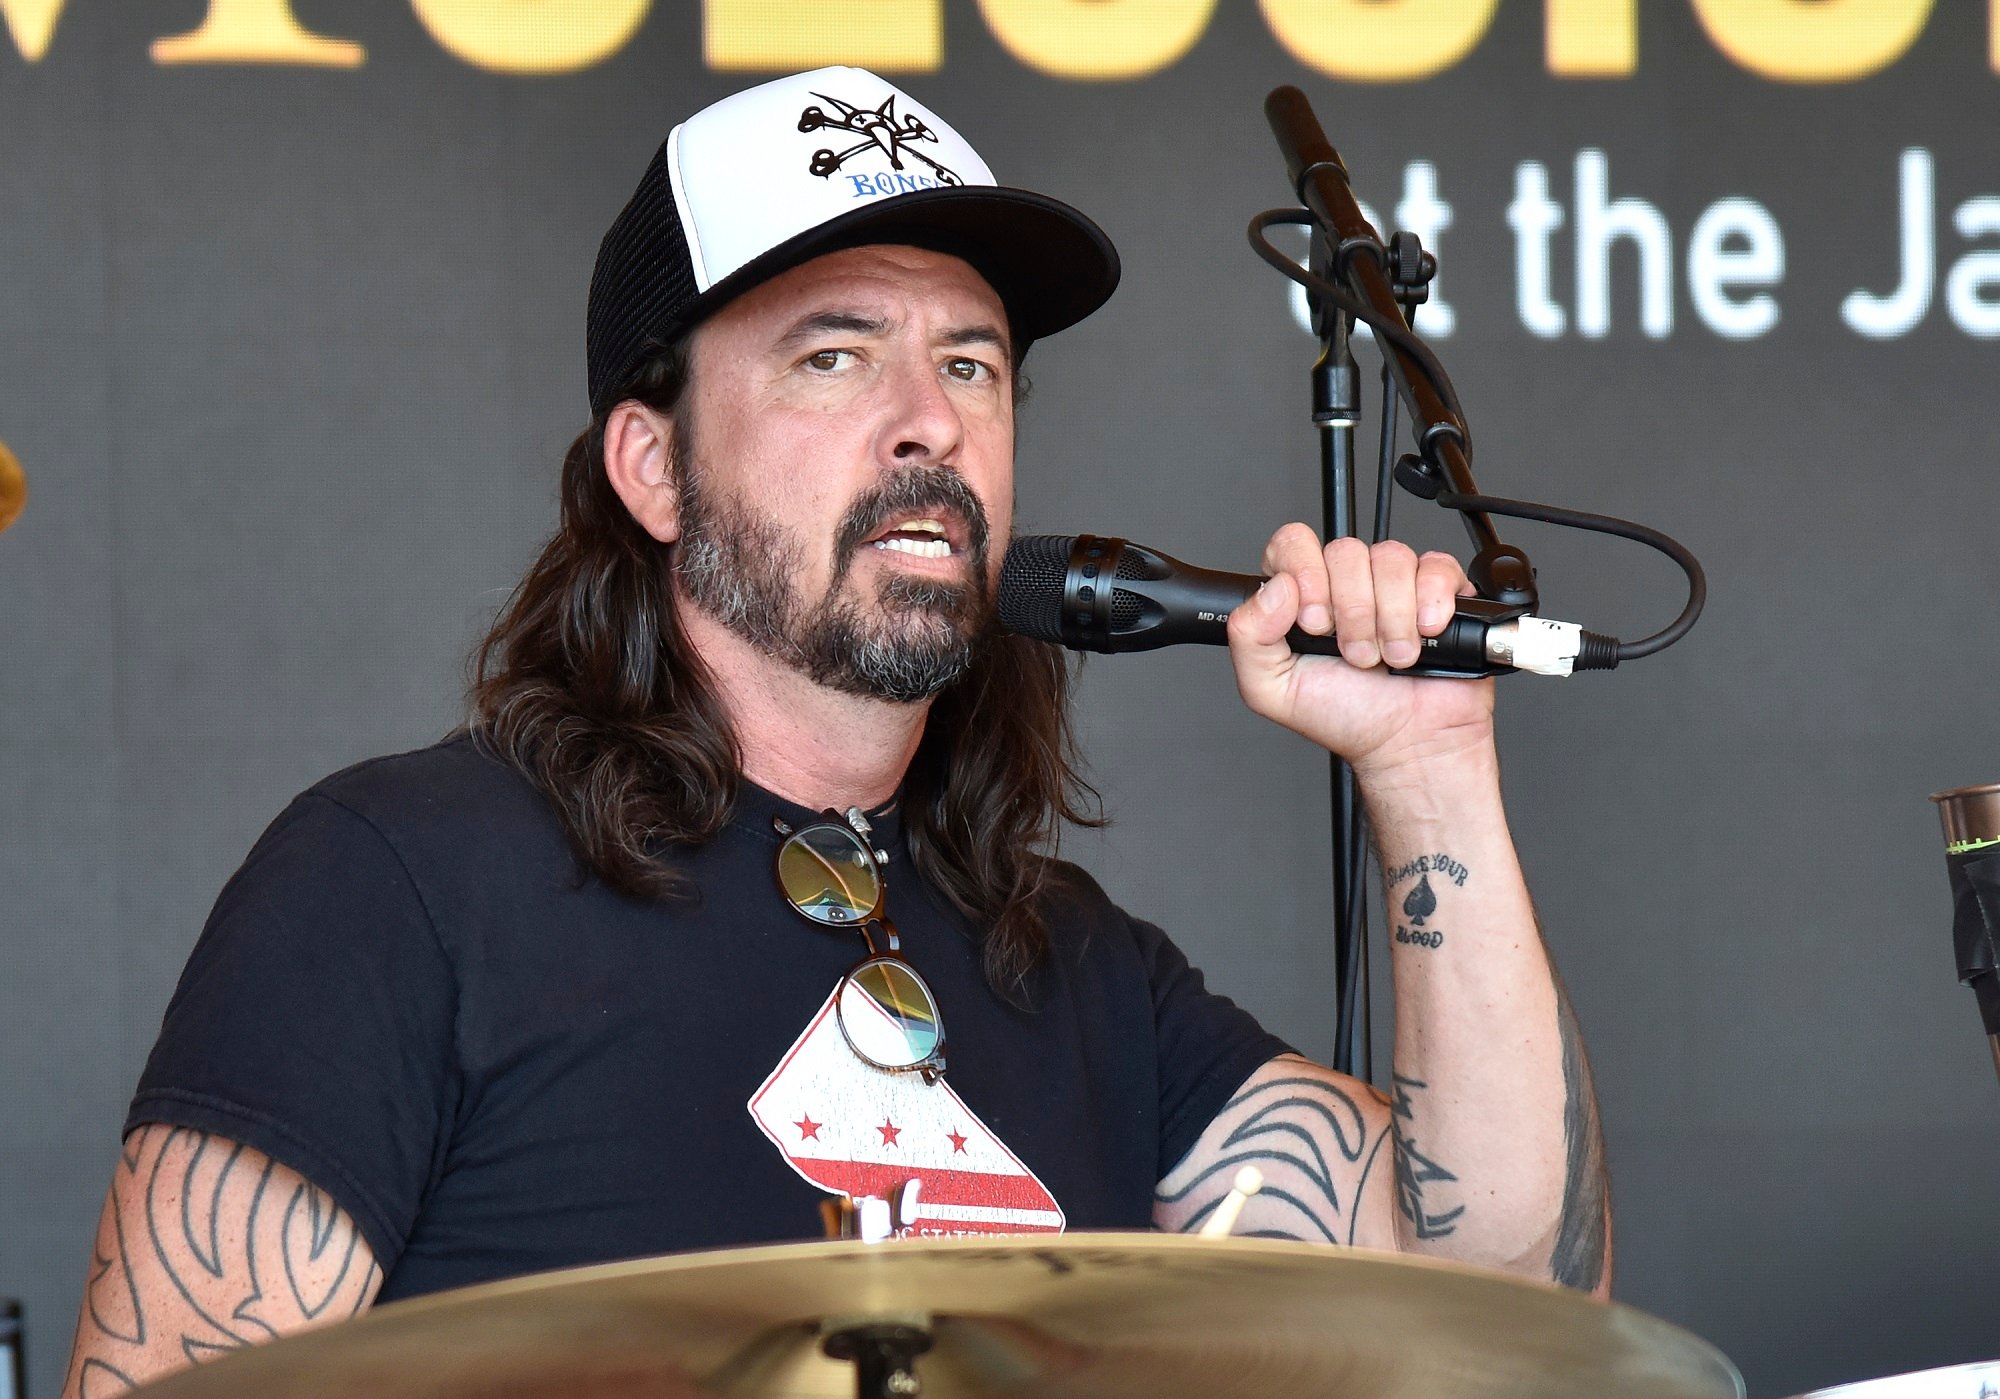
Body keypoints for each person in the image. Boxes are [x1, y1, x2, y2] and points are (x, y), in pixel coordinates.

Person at [59, 67, 1607, 1398]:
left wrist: (1429, 770)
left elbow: (1504, 1305)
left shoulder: (1077, 967)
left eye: (971, 363)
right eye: (834, 355)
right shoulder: (396, 885)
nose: (932, 419)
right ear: (652, 467)